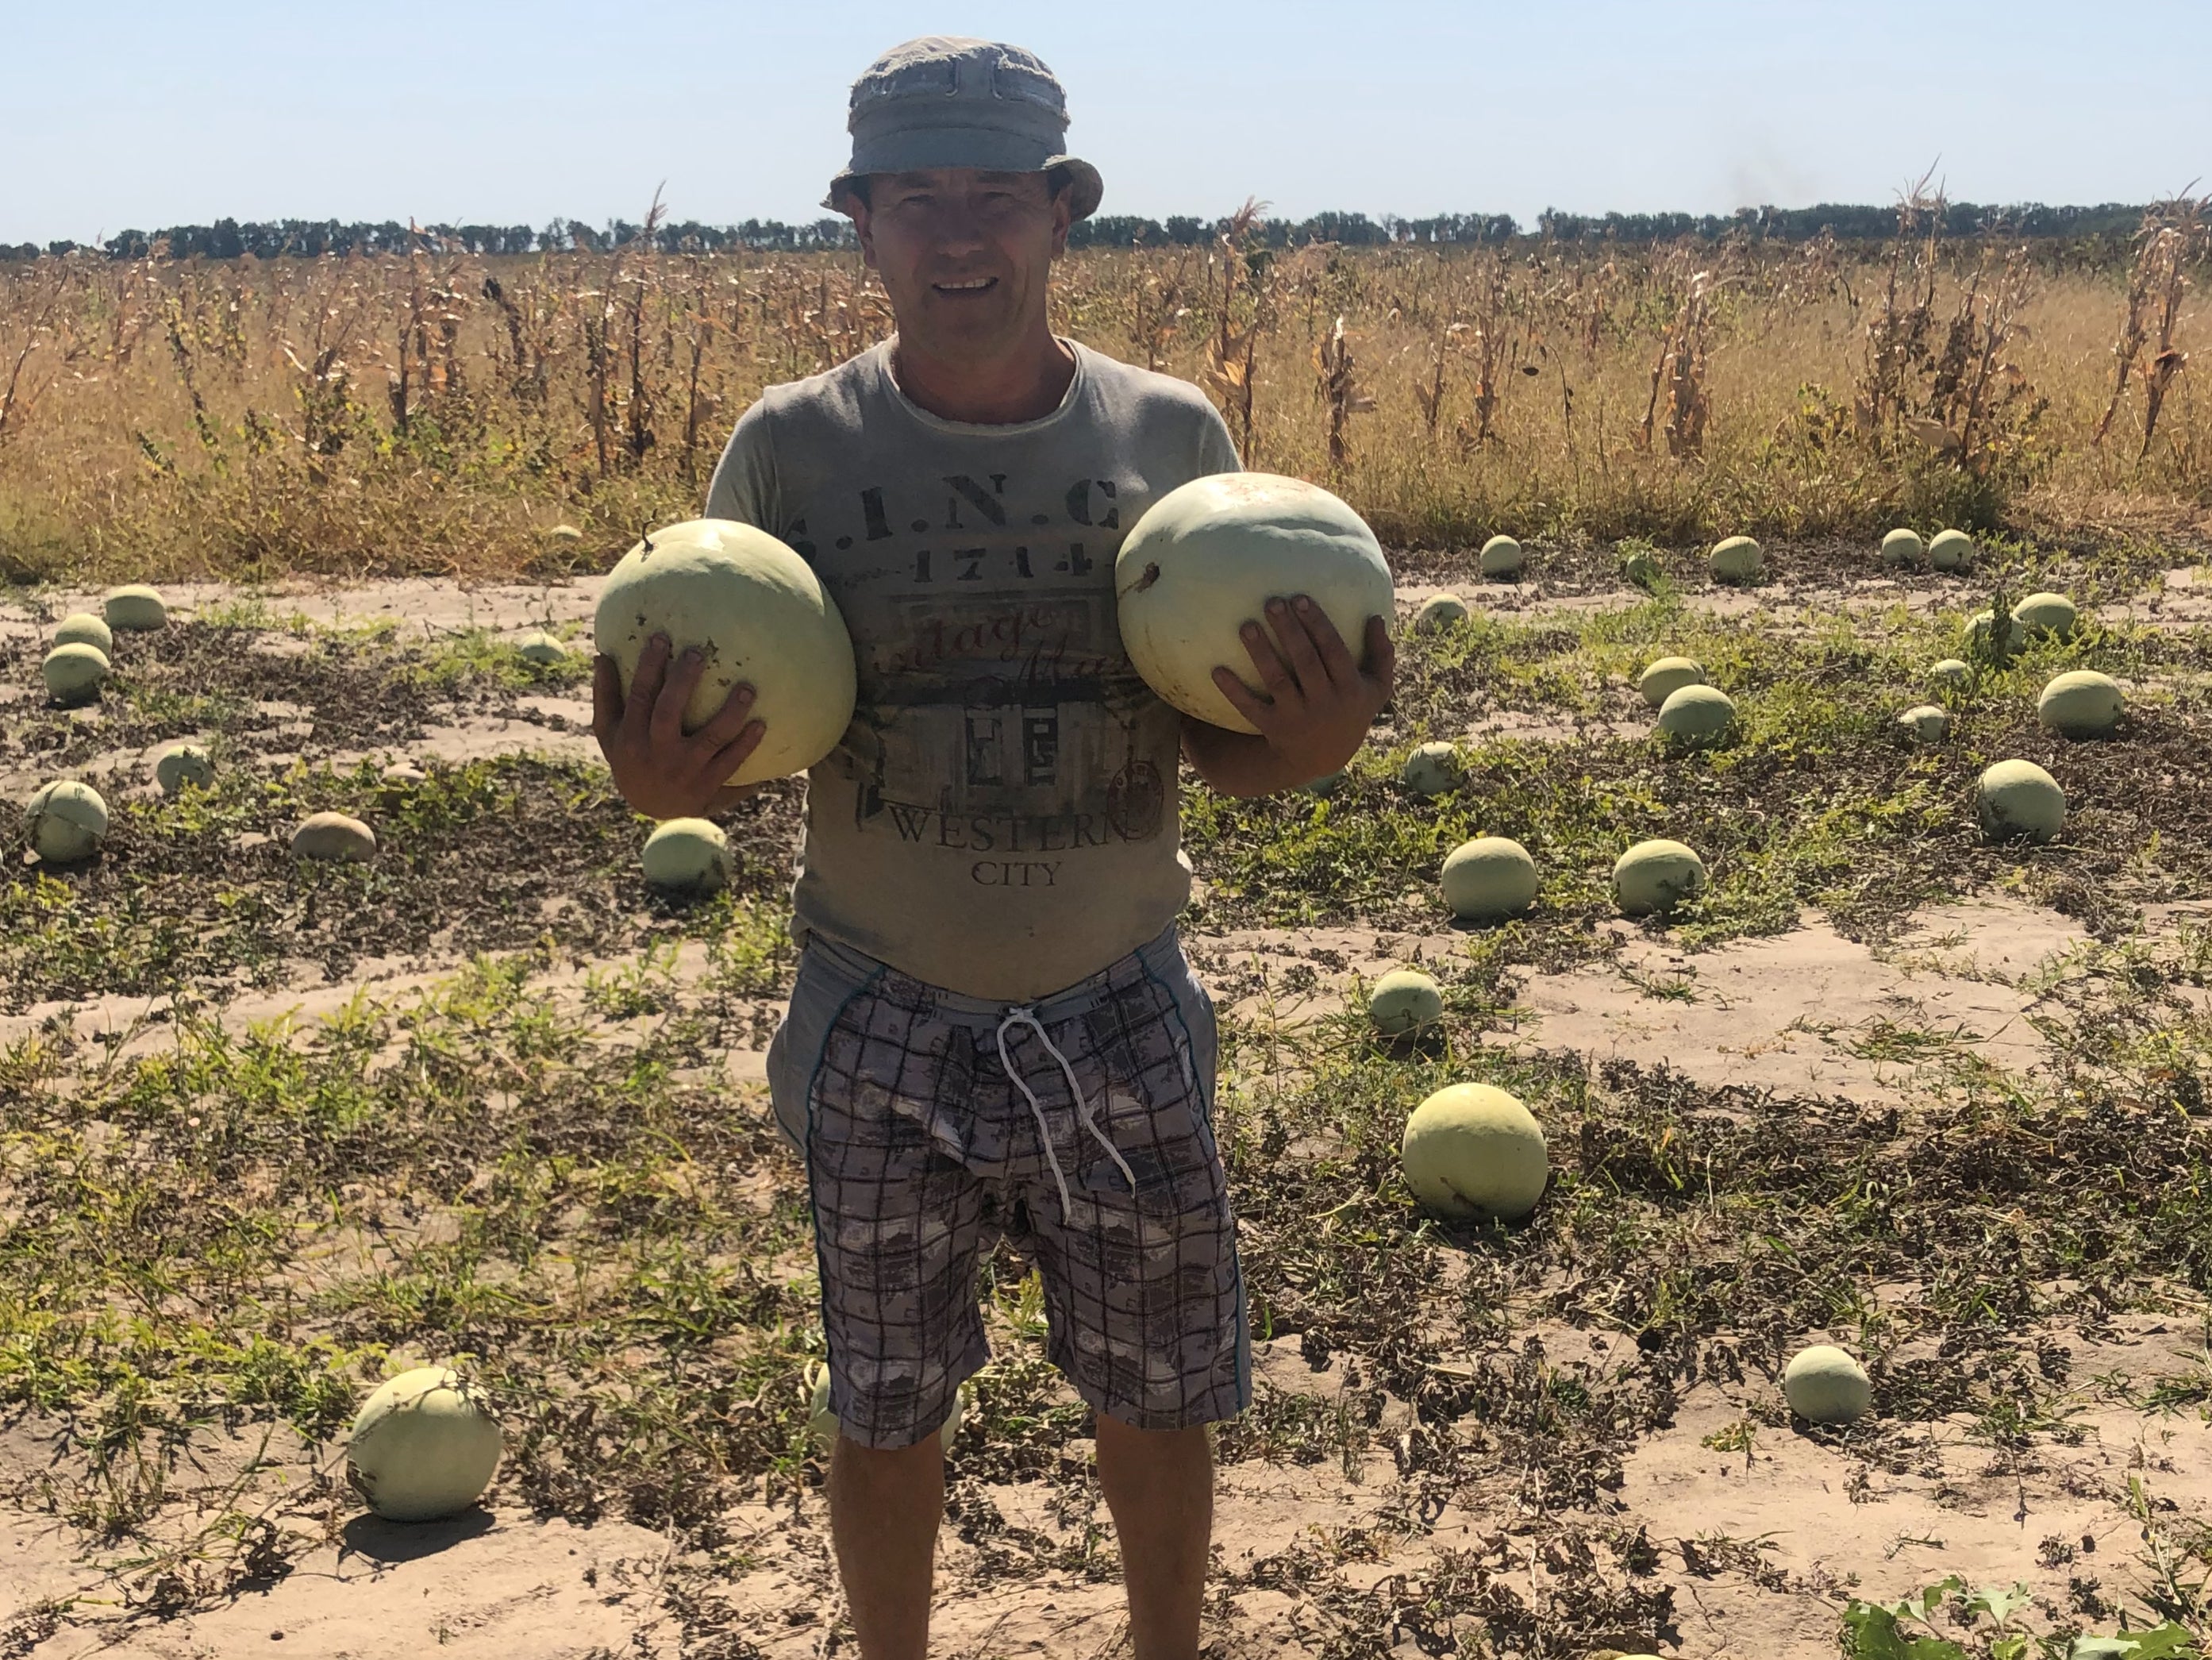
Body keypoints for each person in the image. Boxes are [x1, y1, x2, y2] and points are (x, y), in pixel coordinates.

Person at [591, 36, 1394, 1660]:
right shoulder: (788, 451)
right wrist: (656, 780)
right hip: (877, 1008)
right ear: (864, 227)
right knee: (882, 1398)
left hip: (1119, 999)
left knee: (1158, 1385)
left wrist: (1313, 741)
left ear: (1056, 216)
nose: (959, 237)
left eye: (994, 199)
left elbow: (1226, 739)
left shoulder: (1172, 437)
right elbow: (732, 751)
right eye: (917, 201)